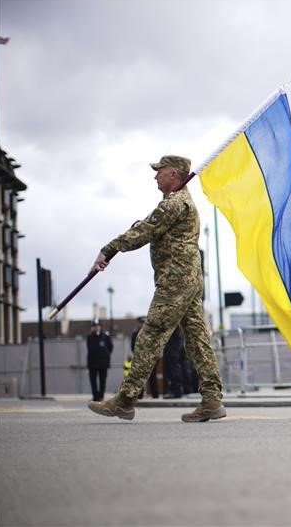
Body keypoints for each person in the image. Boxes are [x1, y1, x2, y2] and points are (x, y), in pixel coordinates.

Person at [88, 155, 225, 422]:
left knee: (150, 335)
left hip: (175, 282)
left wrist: (109, 249)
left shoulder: (174, 204)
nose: (155, 176)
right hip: (189, 280)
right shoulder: (180, 203)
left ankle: (126, 399)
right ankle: (211, 399)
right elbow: (148, 228)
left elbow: (144, 232)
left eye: (159, 172)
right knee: (197, 340)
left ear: (174, 174)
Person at [86, 320, 113, 401]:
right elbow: (89, 348)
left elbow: (110, 347)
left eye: (98, 326)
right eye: (94, 326)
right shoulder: (90, 337)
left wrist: (106, 355)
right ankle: (95, 396)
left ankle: (101, 396)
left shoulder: (105, 337)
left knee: (102, 380)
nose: (96, 328)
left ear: (100, 327)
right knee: (93, 380)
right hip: (92, 363)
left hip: (103, 363)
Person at [162, 326, 185, 399]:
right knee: (170, 367)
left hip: (173, 343)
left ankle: (176, 390)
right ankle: (174, 389)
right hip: (170, 343)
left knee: (173, 367)